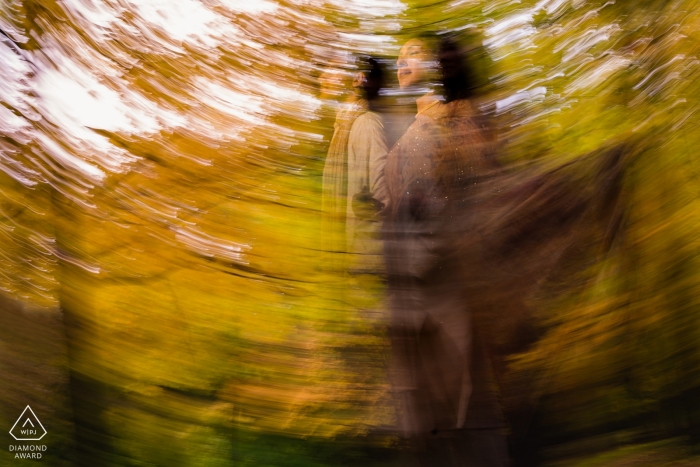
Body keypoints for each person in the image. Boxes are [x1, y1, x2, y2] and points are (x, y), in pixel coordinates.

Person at [383, 33, 508, 466]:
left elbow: (482, 182)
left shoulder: (458, 115)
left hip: (454, 279)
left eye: (414, 55)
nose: (404, 63)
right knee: (423, 405)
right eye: (399, 57)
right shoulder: (398, 142)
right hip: (410, 287)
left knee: (466, 398)